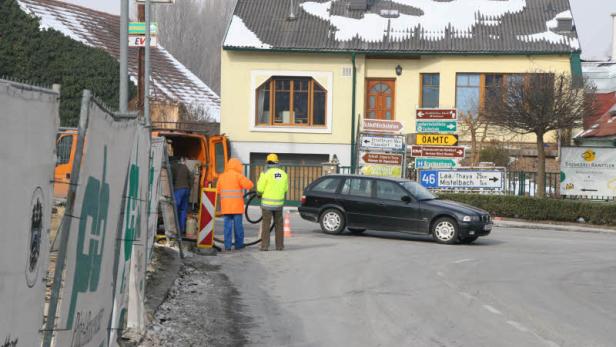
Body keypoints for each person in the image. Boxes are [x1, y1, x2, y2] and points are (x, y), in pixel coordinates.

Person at [217, 158, 254, 251]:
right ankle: (238, 245)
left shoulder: (222, 176)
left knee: (227, 227)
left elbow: (217, 190)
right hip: (237, 207)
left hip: (226, 207)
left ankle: (227, 246)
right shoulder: (238, 176)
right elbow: (250, 185)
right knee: (238, 227)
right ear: (237, 166)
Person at [257, 153, 288, 251]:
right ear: (277, 162)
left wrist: (259, 193)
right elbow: (285, 189)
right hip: (279, 204)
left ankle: (265, 246)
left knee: (266, 225)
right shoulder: (283, 174)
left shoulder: (265, 173)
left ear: (267, 162)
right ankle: (280, 246)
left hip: (267, 205)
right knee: (279, 225)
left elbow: (260, 189)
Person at [172, 157, 193, 235]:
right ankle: (181, 229)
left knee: (175, 209)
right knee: (183, 209)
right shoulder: (185, 167)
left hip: (178, 190)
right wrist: (189, 187)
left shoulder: (172, 166)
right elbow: (192, 177)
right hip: (186, 189)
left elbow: (171, 178)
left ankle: (175, 230)